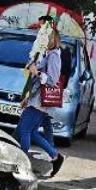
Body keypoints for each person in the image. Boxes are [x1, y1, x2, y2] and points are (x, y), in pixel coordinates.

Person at [16, 28, 65, 176]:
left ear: (53, 39)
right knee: (31, 132)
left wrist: (36, 72)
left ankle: (21, 163)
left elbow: (53, 81)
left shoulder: (54, 55)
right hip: (36, 99)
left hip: (40, 102)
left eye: (46, 38)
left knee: (24, 130)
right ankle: (56, 157)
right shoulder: (48, 54)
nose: (44, 41)